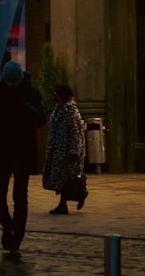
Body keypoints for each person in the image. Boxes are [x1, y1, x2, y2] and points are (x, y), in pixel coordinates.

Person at [0, 60, 46, 261]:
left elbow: (40, 119)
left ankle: (17, 238)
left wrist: (21, 102)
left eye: (11, 82)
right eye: (6, 82)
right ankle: (8, 227)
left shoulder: (30, 93)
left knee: (20, 197)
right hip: (0, 150)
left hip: (22, 152)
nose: (8, 86)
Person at [42, 84, 86, 214]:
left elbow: (76, 133)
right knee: (61, 180)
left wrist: (75, 151)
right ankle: (68, 201)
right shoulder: (58, 109)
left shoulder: (71, 111)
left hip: (67, 152)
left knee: (67, 179)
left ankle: (74, 198)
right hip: (58, 151)